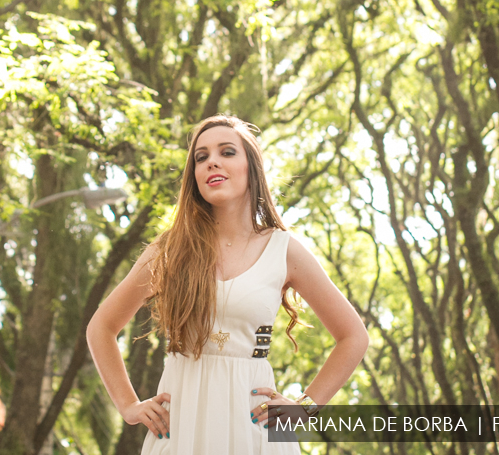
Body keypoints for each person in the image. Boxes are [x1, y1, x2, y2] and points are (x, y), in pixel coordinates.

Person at [86, 115, 369, 454]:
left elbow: (353, 337)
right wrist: (128, 406)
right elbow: (101, 327)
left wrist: (304, 407)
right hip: (179, 431)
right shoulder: (168, 251)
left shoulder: (284, 250)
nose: (212, 162)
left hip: (255, 432)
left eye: (227, 152)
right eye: (201, 157)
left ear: (252, 167)